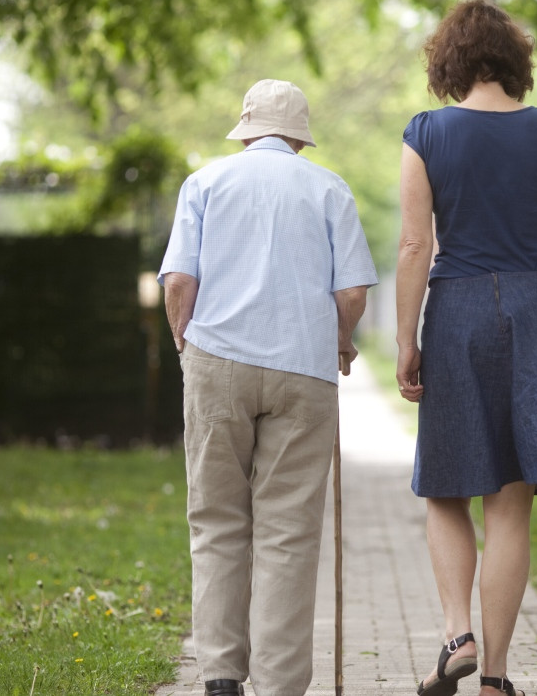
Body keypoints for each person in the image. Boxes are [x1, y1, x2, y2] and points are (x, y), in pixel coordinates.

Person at [395, 2, 537, 696]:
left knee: (446, 487)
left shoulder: (427, 132)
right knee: (511, 503)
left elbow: (415, 245)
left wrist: (406, 341)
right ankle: (494, 678)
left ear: (449, 63)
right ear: (516, 61)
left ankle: (456, 634)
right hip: (534, 305)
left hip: (457, 310)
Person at [158, 78, 378, 696]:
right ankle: (279, 686)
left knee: (217, 521)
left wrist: (184, 345)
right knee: (288, 532)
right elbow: (352, 292)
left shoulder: (205, 183)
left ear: (247, 132)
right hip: (304, 371)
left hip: (216, 363)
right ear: (300, 138)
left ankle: (221, 677)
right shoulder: (329, 188)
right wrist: (339, 339)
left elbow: (179, 283)